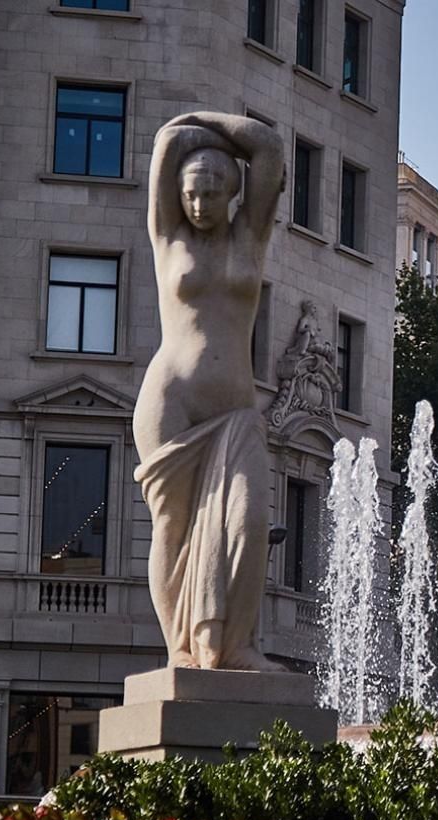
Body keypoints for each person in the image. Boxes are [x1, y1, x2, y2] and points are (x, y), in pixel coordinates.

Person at [132, 112, 286, 670]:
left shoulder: (251, 237)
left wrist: (202, 123)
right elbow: (166, 141)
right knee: (173, 529)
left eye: (212, 193)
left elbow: (267, 148)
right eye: (191, 194)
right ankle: (180, 650)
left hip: (236, 410)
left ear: (233, 194)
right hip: (170, 401)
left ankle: (235, 645)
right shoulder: (168, 238)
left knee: (248, 521)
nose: (199, 204)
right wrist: (187, 131)